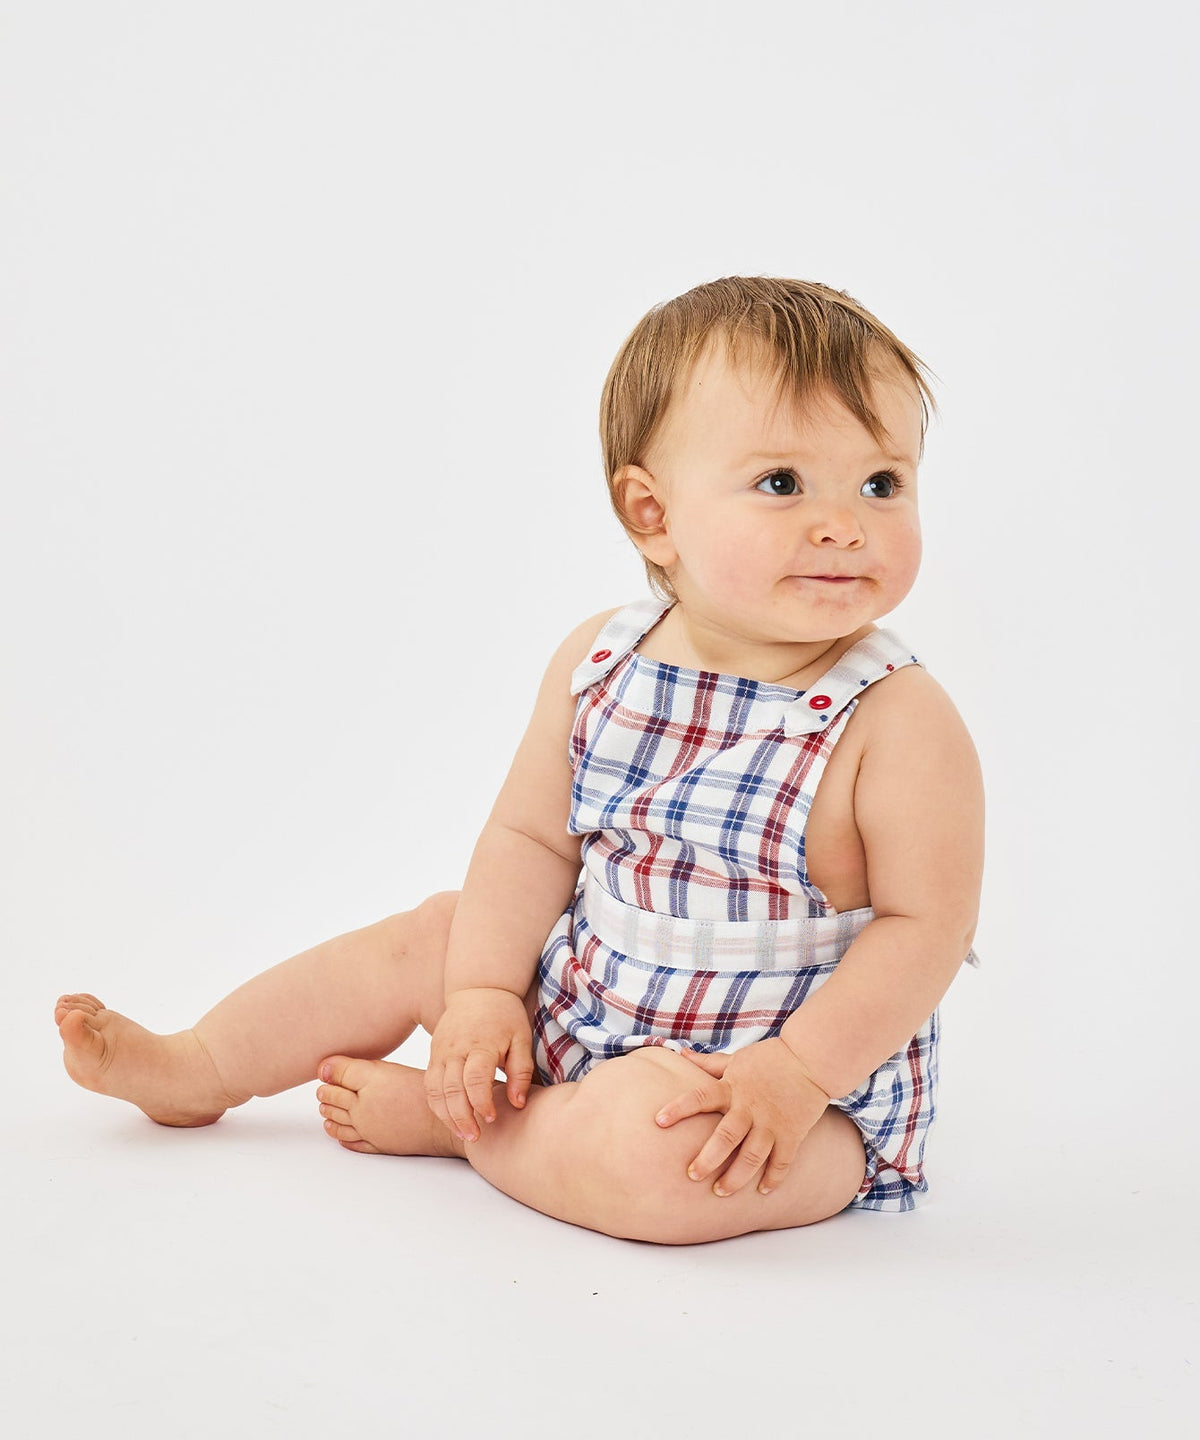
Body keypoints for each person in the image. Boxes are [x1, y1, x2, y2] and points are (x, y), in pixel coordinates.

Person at [54, 276, 984, 1245]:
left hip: (774, 1101)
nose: (844, 524)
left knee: (658, 1163)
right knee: (432, 937)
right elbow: (532, 839)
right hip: (585, 1004)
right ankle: (202, 1064)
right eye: (783, 483)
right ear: (652, 512)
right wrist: (488, 995)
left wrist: (798, 1074)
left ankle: (468, 1129)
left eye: (882, 483)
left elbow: (927, 925)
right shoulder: (603, 661)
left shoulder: (896, 718)